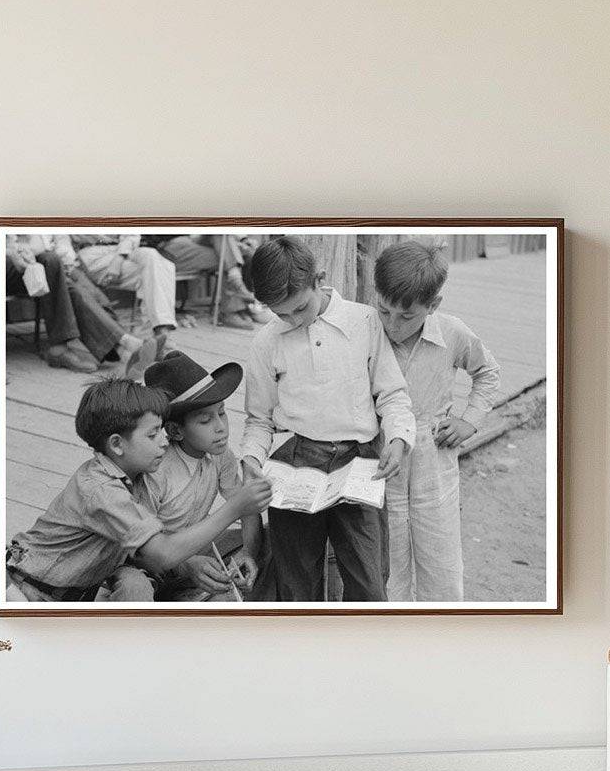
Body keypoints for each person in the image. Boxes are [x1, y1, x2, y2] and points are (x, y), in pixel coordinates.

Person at [241, 236, 415, 602]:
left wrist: (398, 439)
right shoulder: (266, 342)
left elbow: (392, 395)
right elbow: (258, 420)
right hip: (297, 464)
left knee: (368, 583)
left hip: (360, 462)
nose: (292, 320)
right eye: (280, 313)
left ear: (318, 279)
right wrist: (251, 460)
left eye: (300, 308)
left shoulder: (364, 321)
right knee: (295, 582)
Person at [6, 378, 271, 602]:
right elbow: (161, 554)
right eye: (153, 435)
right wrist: (235, 508)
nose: (164, 443)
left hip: (67, 592)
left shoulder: (125, 476)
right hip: (26, 589)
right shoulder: (101, 490)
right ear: (117, 445)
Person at [373, 240, 501, 601]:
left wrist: (469, 421)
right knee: (387, 568)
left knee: (441, 564)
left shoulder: (452, 332)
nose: (393, 325)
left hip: (434, 457)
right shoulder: (367, 332)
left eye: (407, 316)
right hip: (382, 457)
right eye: (384, 311)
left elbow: (488, 373)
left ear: (433, 306)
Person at [143, 350, 263, 599]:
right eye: (205, 420)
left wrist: (249, 552)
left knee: (276, 536)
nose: (221, 427)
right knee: (136, 584)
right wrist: (186, 564)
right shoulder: (156, 469)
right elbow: (143, 548)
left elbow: (247, 507)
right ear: (175, 431)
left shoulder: (220, 455)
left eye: (221, 412)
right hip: (153, 565)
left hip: (197, 549)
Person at [6, 235, 154, 374]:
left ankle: (120, 347)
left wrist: (68, 261)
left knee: (81, 289)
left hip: (47, 266)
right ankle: (124, 343)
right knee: (52, 261)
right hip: (6, 262)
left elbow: (60, 239)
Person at [74, 235, 179, 348]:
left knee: (154, 258)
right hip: (91, 255)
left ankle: (160, 333)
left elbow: (131, 233)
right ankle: (156, 338)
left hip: (123, 250)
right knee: (154, 274)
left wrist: (118, 259)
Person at [158, 235, 258, 330]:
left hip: (195, 241)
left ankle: (240, 305)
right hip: (169, 248)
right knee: (227, 254)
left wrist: (242, 239)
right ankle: (234, 307)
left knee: (229, 248)